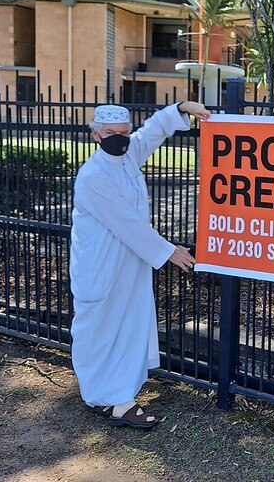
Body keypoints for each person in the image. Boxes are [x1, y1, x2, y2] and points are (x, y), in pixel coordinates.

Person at [70, 101, 210, 428]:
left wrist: (183, 108)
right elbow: (126, 223)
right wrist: (169, 252)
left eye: (122, 133)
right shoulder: (93, 175)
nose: (117, 139)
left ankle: (116, 397)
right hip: (101, 265)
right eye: (109, 134)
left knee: (126, 324)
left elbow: (153, 131)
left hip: (127, 263)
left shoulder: (128, 155)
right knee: (100, 329)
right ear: (95, 134)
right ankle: (110, 397)